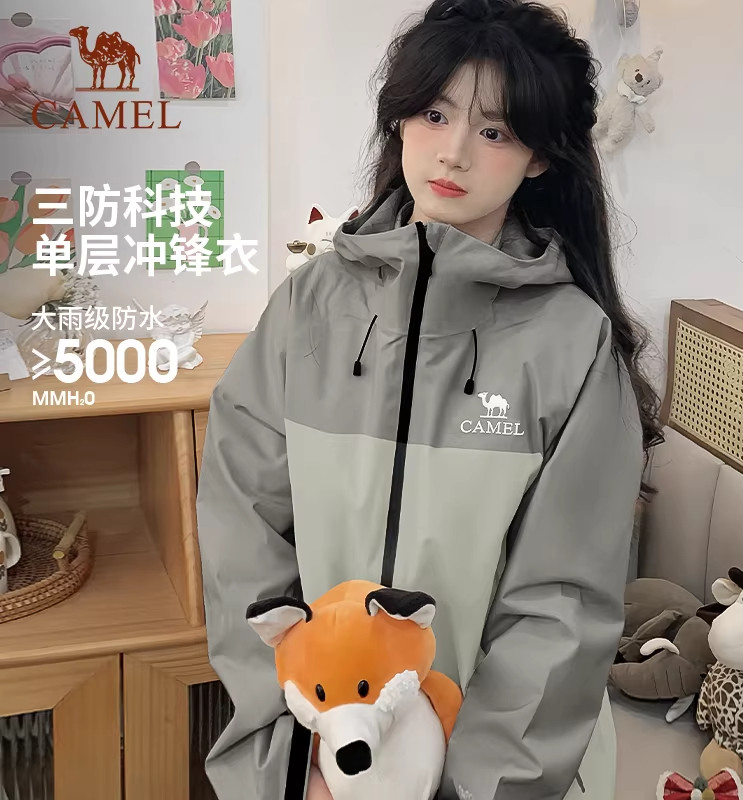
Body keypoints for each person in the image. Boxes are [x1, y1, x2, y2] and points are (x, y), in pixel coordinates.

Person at [195, 0, 665, 798]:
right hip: (325, 764)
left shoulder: (573, 344)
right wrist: (293, 761)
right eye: (435, 114)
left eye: (495, 131)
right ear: (400, 118)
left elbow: (560, 609)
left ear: (540, 157)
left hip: (501, 776)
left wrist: (471, 787)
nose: (453, 151)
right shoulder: (307, 307)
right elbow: (244, 551)